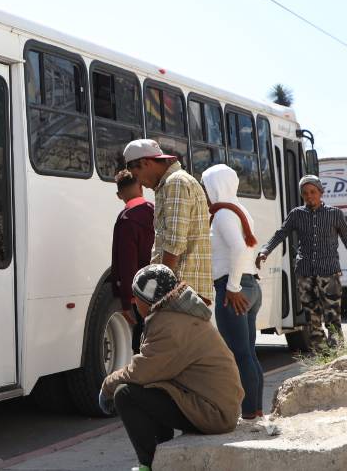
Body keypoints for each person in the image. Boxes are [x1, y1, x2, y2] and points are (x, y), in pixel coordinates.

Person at [100, 264, 243, 471]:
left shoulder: (169, 324)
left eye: (136, 297)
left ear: (147, 300)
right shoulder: (178, 314)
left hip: (214, 414)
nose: (132, 301)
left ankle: (148, 465)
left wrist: (107, 386)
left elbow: (140, 372)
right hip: (218, 406)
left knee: (125, 394)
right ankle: (163, 455)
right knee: (154, 386)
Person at [256, 174, 347, 354]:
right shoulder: (296, 215)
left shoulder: (334, 214)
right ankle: (322, 358)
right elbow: (280, 234)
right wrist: (265, 250)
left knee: (332, 318)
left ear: (320, 192)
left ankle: (337, 356)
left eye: (313, 192)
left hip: (330, 273)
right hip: (305, 274)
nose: (309, 196)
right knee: (312, 320)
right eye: (305, 193)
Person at [201, 164, 264, 419]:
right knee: (247, 353)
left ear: (214, 186)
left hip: (235, 289)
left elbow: (238, 248)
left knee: (239, 355)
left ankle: (249, 412)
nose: (204, 191)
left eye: (206, 185)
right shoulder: (239, 209)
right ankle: (255, 410)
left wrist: (232, 287)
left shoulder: (224, 214)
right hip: (249, 286)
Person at [123, 139, 213, 307]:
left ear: (145, 162)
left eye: (136, 176)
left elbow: (174, 243)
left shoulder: (175, 182)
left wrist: (157, 292)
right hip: (180, 292)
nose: (139, 183)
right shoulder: (170, 183)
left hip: (179, 293)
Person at [111, 168, 155, 354]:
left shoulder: (126, 219)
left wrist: (127, 302)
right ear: (141, 188)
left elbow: (127, 264)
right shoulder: (155, 210)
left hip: (141, 292)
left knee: (141, 342)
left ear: (119, 195)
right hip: (160, 286)